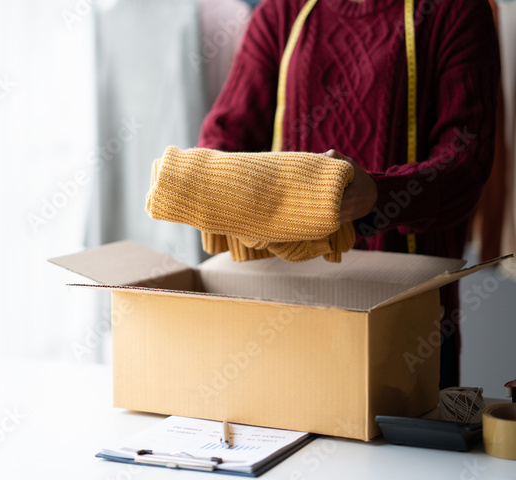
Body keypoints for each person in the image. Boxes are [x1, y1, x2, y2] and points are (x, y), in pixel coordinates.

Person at [196, 0, 501, 388]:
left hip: (410, 321)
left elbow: (466, 165)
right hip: (281, 312)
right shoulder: (281, 14)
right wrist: (204, 176)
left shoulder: (454, 11)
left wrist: (378, 194)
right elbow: (224, 137)